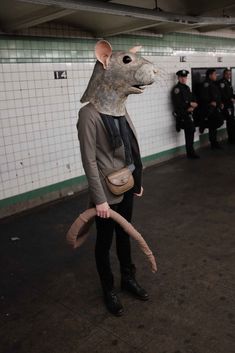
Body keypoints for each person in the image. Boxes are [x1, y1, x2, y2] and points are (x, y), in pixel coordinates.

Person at [77, 40, 155, 316]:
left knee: (125, 235)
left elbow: (131, 145)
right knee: (104, 241)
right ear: (104, 62)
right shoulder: (88, 114)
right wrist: (99, 200)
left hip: (127, 183)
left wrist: (138, 180)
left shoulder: (119, 108)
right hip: (105, 194)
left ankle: (128, 278)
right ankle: (108, 287)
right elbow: (89, 160)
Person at [171, 70, 200, 159]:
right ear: (178, 78)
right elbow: (177, 103)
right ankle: (190, 153)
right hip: (182, 115)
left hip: (189, 113)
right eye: (182, 77)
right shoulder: (176, 89)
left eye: (185, 77)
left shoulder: (187, 88)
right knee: (190, 131)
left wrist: (194, 105)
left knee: (191, 132)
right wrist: (189, 105)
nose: (184, 79)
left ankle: (190, 152)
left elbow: (192, 98)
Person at [198, 68, 224, 149]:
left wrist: (220, 104)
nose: (216, 75)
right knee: (216, 123)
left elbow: (216, 96)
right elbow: (203, 97)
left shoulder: (212, 83)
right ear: (210, 75)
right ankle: (213, 142)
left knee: (215, 124)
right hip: (210, 109)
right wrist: (210, 103)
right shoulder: (206, 84)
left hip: (215, 107)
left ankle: (213, 142)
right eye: (214, 74)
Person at [218, 68, 235, 144]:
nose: (229, 75)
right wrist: (230, 99)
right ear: (224, 74)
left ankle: (232, 137)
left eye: (229, 74)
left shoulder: (228, 82)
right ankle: (231, 139)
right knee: (230, 122)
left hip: (230, 105)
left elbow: (230, 94)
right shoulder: (222, 83)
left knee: (231, 121)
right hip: (227, 105)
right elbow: (222, 95)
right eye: (227, 74)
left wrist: (233, 97)